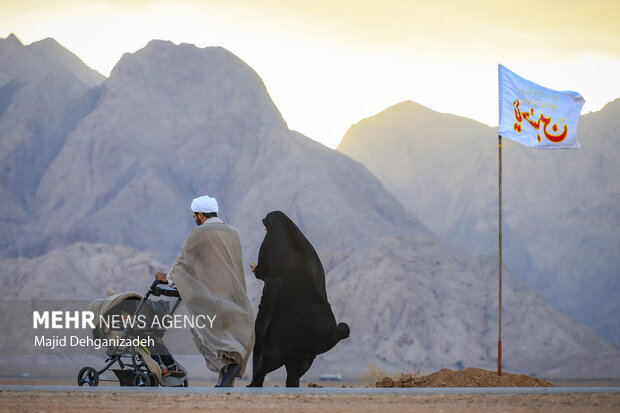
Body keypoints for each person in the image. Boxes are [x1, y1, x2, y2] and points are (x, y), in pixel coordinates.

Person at [155, 195, 255, 387]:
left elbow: (184, 261)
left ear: (200, 215)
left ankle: (224, 367)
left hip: (213, 297)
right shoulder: (233, 232)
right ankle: (224, 383)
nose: (194, 219)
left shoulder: (199, 232)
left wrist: (168, 278)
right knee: (229, 338)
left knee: (200, 331)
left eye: (194, 215)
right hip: (236, 297)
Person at [248, 211, 350, 387]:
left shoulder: (270, 243)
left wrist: (255, 270)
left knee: (265, 337)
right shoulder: (302, 248)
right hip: (299, 311)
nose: (265, 229)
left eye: (267, 225)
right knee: (296, 342)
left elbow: (265, 271)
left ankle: (257, 381)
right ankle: (292, 384)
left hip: (274, 307)